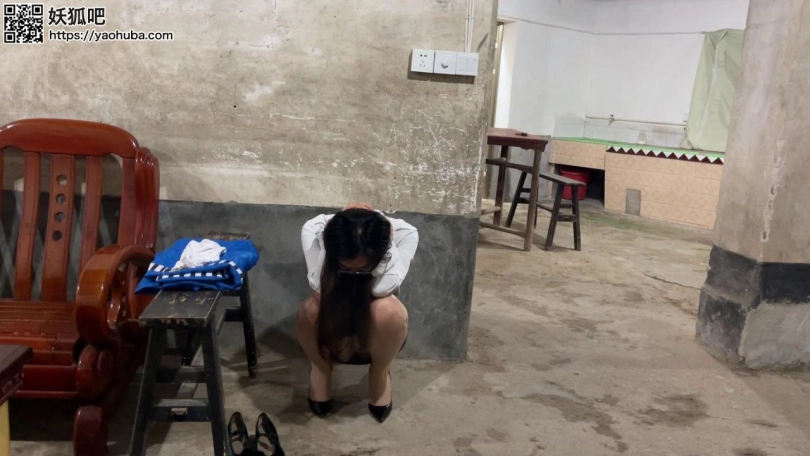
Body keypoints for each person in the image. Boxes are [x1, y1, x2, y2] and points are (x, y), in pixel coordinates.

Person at [297, 203, 418, 423]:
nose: (354, 273)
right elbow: (318, 284)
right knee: (310, 309)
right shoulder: (314, 229)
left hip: (374, 319)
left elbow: (385, 286)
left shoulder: (406, 233)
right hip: (334, 311)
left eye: (363, 268)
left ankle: (379, 374)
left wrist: (388, 246)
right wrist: (328, 245)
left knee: (389, 312)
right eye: (345, 267)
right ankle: (321, 369)